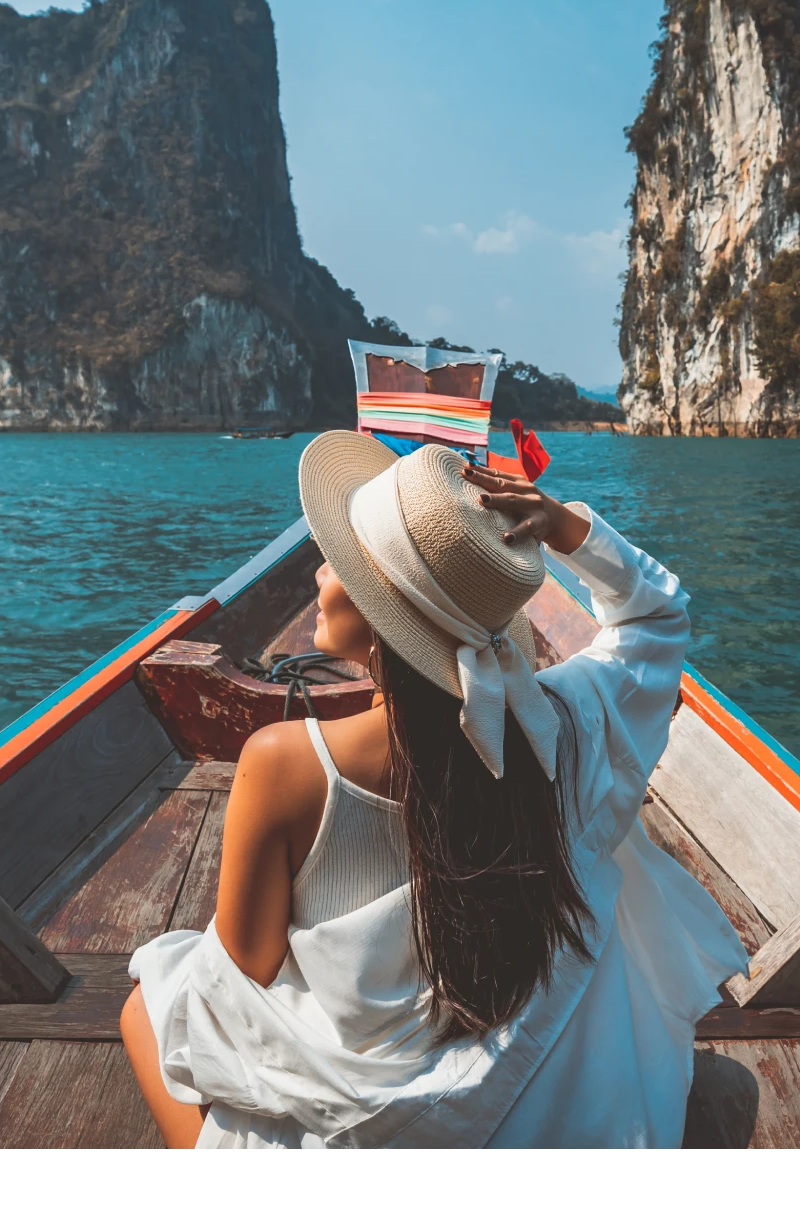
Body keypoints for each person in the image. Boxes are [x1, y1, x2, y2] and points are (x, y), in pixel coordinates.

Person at [120, 432, 747, 1149]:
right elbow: (656, 615)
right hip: (511, 1072)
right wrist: (566, 523)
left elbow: (247, 967)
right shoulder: (567, 724)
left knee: (151, 994)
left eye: (343, 561)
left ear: (386, 605)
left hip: (380, 1113)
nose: (320, 571)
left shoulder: (285, 761)